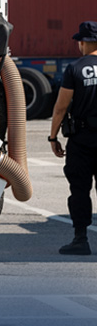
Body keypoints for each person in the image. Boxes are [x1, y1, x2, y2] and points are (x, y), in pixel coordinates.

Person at [48, 20, 97, 256]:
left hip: (82, 140)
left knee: (80, 190)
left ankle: (80, 239)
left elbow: (60, 107)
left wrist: (53, 137)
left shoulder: (75, 68)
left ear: (85, 43)